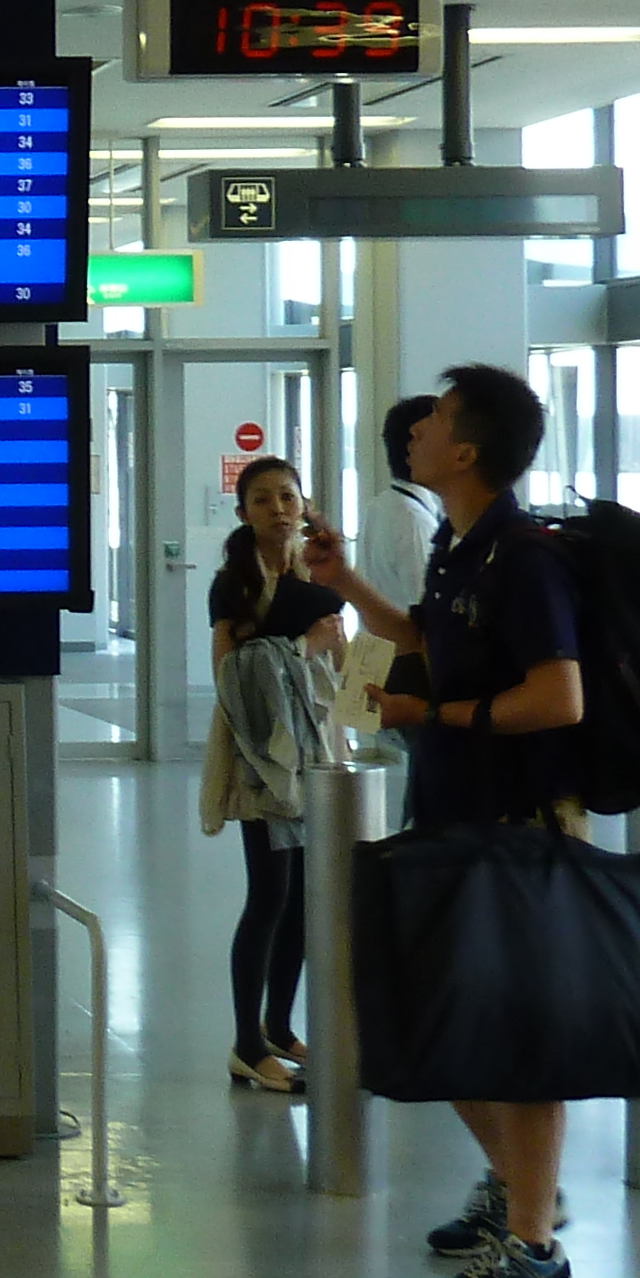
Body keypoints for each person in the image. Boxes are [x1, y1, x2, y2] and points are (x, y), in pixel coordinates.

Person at [300, 364, 588, 1278]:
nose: (416, 428)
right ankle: (523, 1192)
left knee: (514, 1039)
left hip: (517, 826)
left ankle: (537, 1244)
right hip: (454, 814)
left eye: (435, 418)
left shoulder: (526, 555)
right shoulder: (459, 551)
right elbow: (425, 639)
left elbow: (559, 698)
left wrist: (438, 713)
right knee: (448, 1022)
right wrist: (344, 584)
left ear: (465, 451)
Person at [199, 455, 347, 1092]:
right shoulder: (235, 584)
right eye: (263, 499)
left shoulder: (322, 576)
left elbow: (349, 661)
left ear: (306, 505)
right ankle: (245, 1041)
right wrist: (302, 648)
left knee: (305, 901)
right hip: (262, 759)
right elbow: (232, 677)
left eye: (289, 496)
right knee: (270, 895)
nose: (278, 508)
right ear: (244, 513)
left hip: (318, 746)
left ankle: (280, 1027)